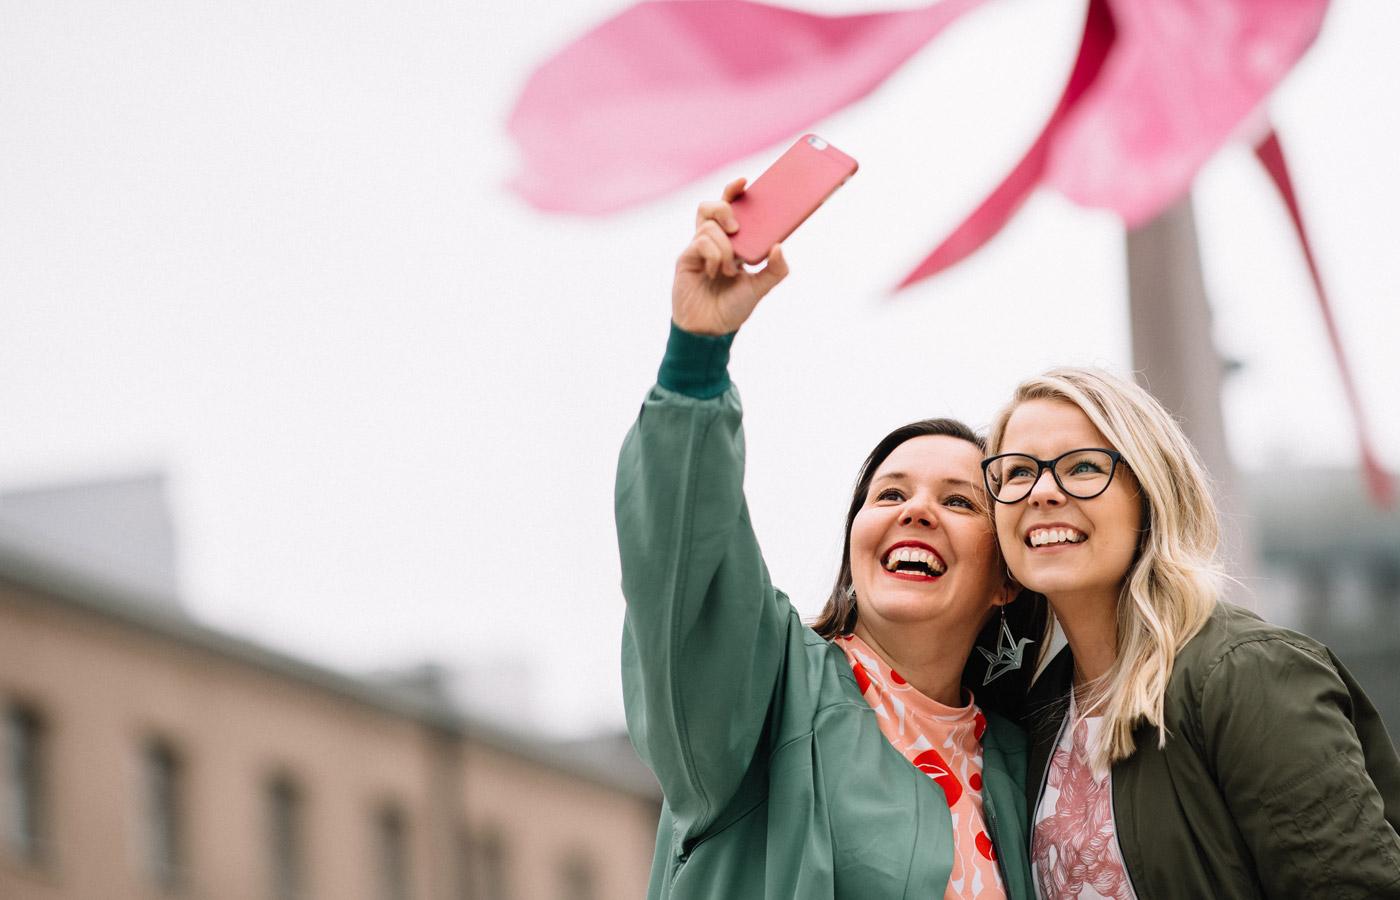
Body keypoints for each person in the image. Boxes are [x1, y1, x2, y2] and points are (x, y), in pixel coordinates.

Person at [615, 178, 1035, 898]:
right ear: (856, 542)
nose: (916, 510)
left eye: (959, 500)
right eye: (890, 493)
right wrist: (697, 357)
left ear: (1006, 577)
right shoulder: (771, 692)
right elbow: (684, 570)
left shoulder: (1021, 759)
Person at [981, 367, 1400, 899]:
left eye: (1083, 466)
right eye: (1017, 472)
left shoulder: (1247, 674)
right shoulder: (1033, 715)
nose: (1041, 491)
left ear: (1150, 493)